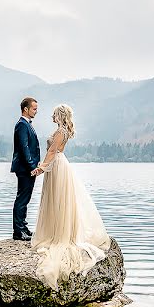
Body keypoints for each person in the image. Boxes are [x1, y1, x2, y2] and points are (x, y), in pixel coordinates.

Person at [30, 104, 111, 289]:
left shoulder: (60, 131)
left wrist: (41, 168)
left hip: (56, 166)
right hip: (59, 165)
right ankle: (56, 230)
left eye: (54, 114)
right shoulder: (64, 130)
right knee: (59, 200)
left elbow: (52, 151)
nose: (51, 116)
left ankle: (57, 234)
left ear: (59, 115)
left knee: (57, 200)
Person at [10, 97, 41, 241]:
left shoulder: (27, 124)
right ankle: (18, 231)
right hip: (25, 168)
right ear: (26, 109)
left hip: (27, 168)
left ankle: (23, 227)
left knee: (25, 199)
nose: (36, 111)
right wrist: (32, 166)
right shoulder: (22, 124)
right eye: (34, 109)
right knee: (22, 199)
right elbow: (24, 148)